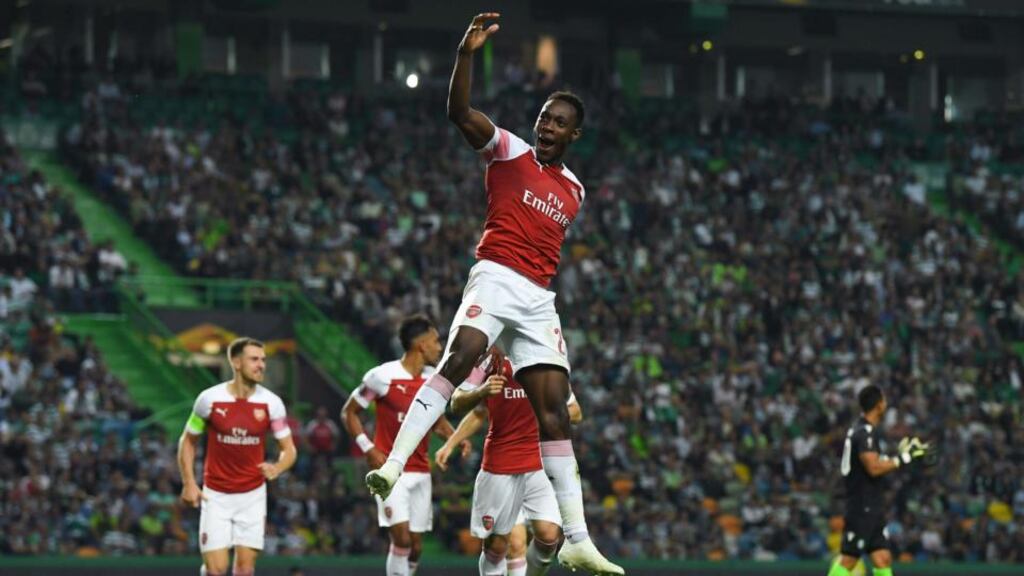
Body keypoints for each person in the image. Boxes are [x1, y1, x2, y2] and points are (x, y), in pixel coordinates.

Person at [365, 12, 622, 574]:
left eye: (557, 123)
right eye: (542, 118)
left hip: (539, 297)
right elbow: (458, 113)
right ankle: (394, 462)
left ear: (573, 134)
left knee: (554, 411)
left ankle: (577, 538)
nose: (546, 127)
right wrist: (465, 55)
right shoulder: (507, 151)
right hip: (497, 275)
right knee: (459, 357)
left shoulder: (575, 189)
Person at [341, 314, 469, 576]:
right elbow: (349, 413)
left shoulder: (434, 379)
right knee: (401, 539)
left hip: (421, 472)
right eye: (435, 341)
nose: (439, 347)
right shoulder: (381, 377)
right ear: (421, 344)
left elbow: (436, 421)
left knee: (416, 547)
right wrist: (369, 448)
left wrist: (457, 438)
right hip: (391, 472)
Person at [435, 350, 582, 576]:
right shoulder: (487, 361)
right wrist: (451, 443)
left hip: (540, 464)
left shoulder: (546, 358)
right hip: (500, 465)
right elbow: (462, 405)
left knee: (549, 536)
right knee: (500, 545)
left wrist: (543, 408)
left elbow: (575, 411)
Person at [177, 337, 297, 576]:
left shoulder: (271, 403)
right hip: (216, 496)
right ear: (236, 362)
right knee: (216, 569)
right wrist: (189, 482)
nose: (261, 365)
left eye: (263, 360)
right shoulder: (209, 400)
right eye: (254, 359)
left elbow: (289, 449)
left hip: (252, 496)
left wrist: (278, 467)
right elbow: (187, 441)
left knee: (245, 569)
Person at [829, 385, 931, 576]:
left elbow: (873, 463)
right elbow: (874, 468)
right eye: (883, 400)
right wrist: (904, 458)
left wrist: (898, 457)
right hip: (862, 506)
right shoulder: (864, 432)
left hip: (872, 506)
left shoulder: (864, 431)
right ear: (878, 405)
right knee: (849, 558)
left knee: (882, 559)